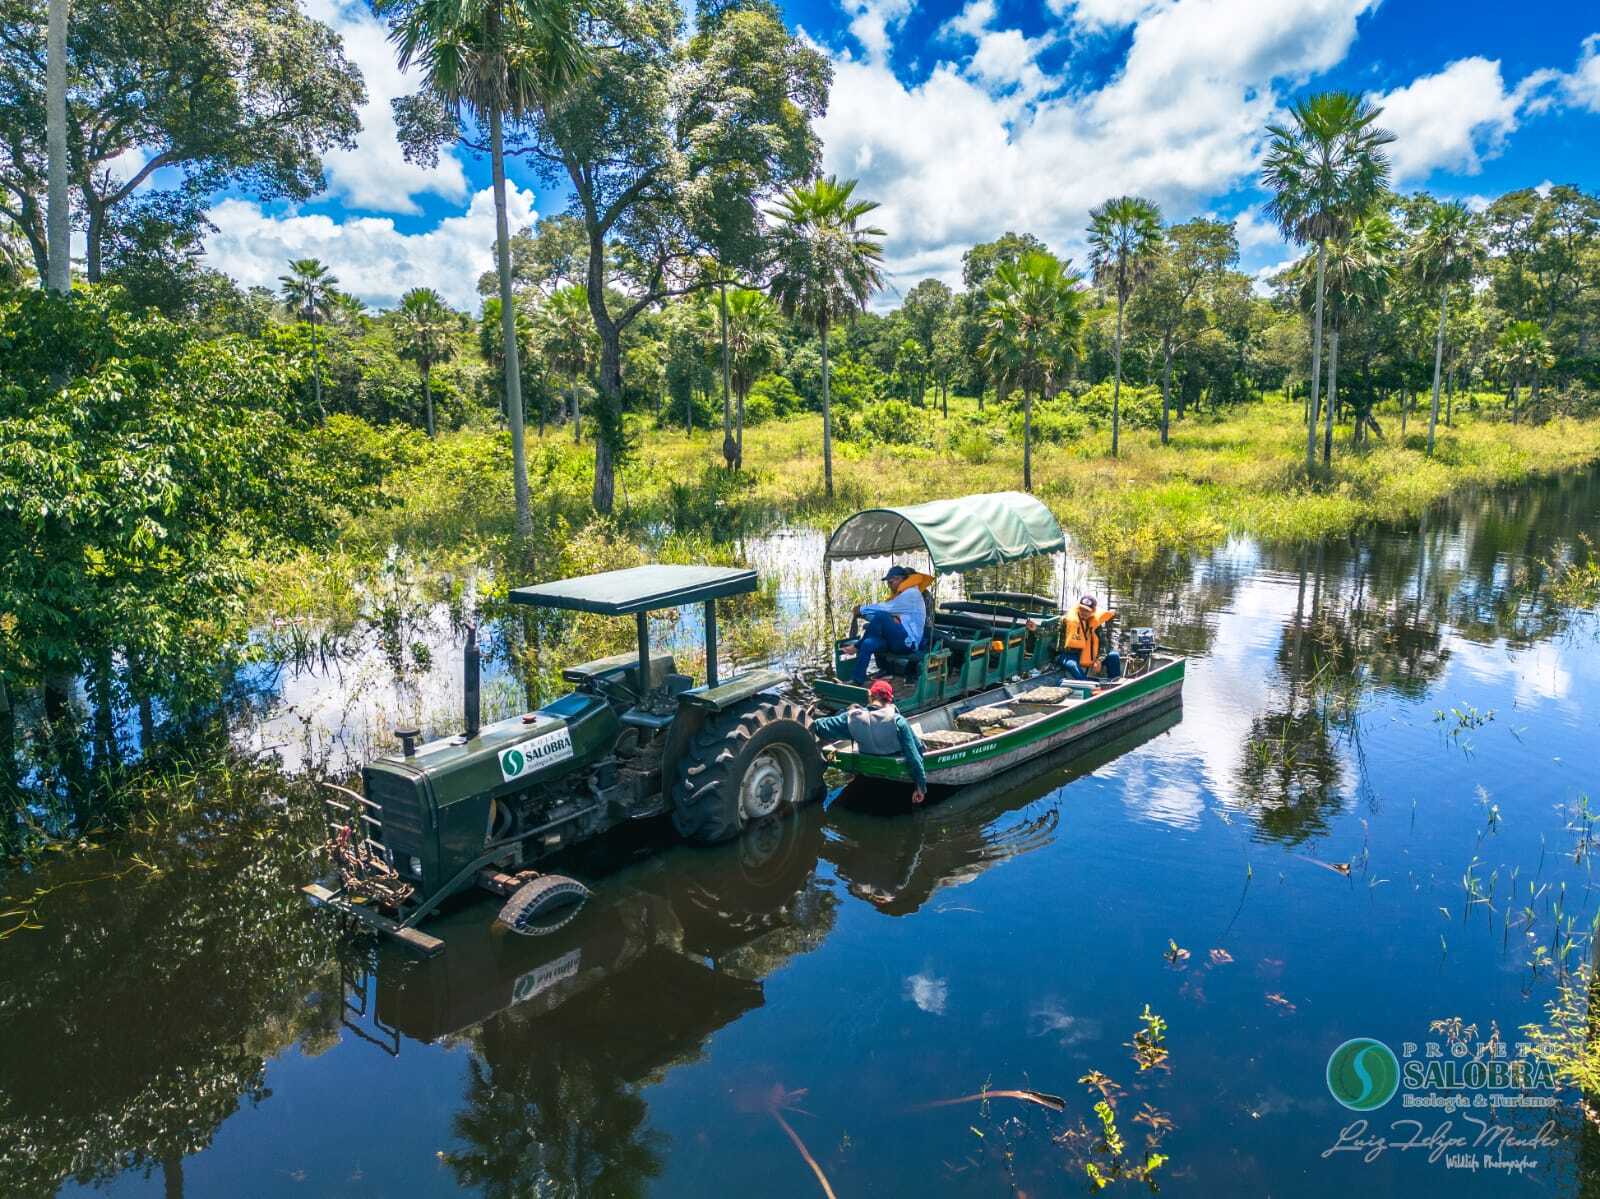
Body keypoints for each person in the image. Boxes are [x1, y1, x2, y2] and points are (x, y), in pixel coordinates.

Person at [813, 678, 928, 803]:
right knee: (920, 746)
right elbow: (915, 756)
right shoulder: (898, 721)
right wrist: (921, 788)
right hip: (893, 761)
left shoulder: (852, 718)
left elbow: (819, 726)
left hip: (867, 756)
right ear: (890, 700)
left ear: (870, 696)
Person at [849, 564, 930, 684]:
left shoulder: (911, 594)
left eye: (890, 582)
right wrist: (863, 614)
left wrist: (861, 610)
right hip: (896, 640)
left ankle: (856, 647)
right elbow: (883, 614)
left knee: (881, 616)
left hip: (908, 643)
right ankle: (857, 680)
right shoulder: (901, 594)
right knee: (868, 643)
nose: (889, 586)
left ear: (899, 579)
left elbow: (884, 609)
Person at [1060, 594, 1120, 680]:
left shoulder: (1095, 624)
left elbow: (1104, 644)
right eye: (1082, 609)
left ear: (1093, 611)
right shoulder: (1067, 620)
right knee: (1073, 666)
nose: (1083, 612)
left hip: (1090, 655)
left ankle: (1115, 683)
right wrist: (1036, 628)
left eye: (1087, 610)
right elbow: (1050, 631)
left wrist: (1099, 660)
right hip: (1069, 655)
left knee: (1114, 656)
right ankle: (1088, 687)